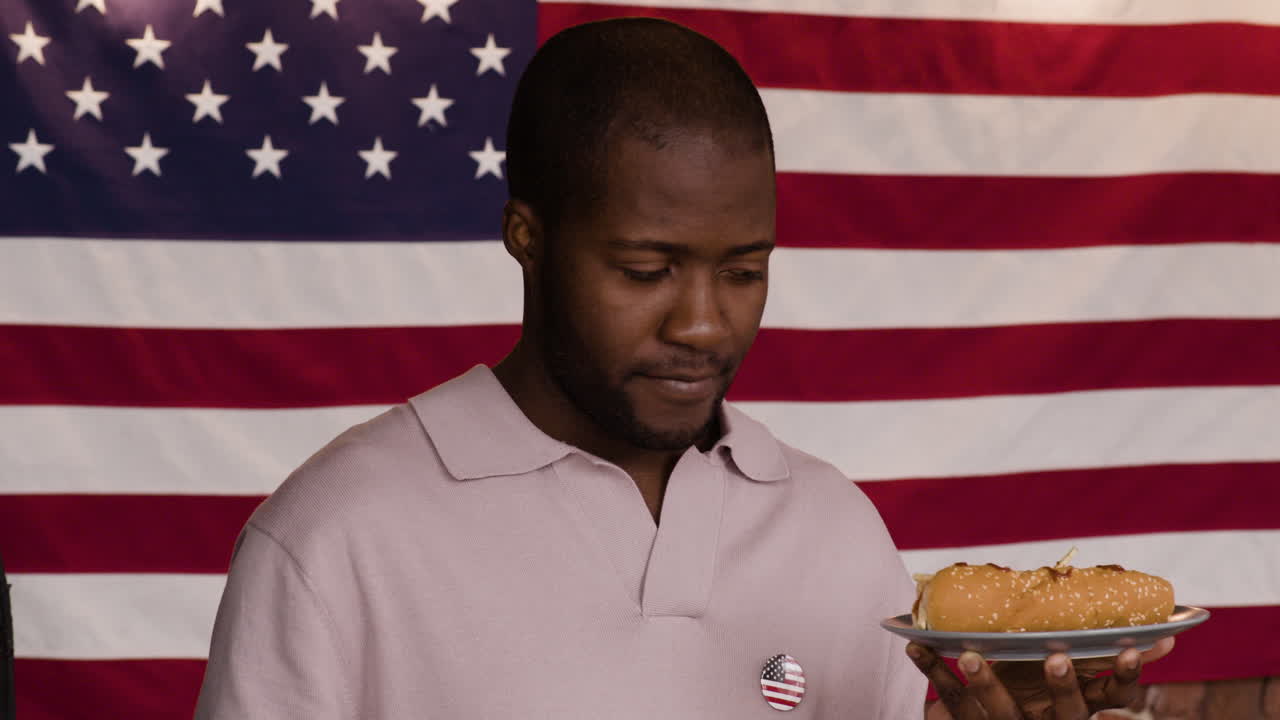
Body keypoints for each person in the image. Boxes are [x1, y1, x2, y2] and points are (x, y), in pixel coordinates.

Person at [193, 18, 1171, 719]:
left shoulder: (833, 529)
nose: (704, 324)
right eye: (646, 270)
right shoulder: (333, 540)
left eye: (743, 271)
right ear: (526, 237)